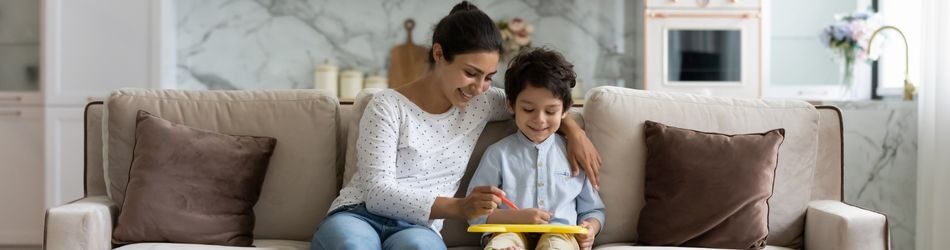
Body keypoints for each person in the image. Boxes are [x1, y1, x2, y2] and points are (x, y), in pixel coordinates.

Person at [310, 2, 602, 249]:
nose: (479, 87)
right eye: (471, 73)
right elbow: (377, 193)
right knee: (351, 244)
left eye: (488, 76)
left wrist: (574, 131)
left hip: (418, 228)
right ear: (439, 54)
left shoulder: (482, 102)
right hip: (359, 214)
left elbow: (536, 106)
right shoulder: (387, 106)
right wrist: (461, 207)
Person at [466, 48, 605, 250]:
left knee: (556, 246)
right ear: (511, 105)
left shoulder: (573, 154)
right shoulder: (498, 154)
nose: (539, 119)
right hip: (508, 230)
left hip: (561, 233)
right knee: (502, 246)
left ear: (565, 110)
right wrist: (517, 217)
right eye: (528, 109)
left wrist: (591, 229)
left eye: (550, 111)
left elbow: (594, 209)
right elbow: (474, 211)